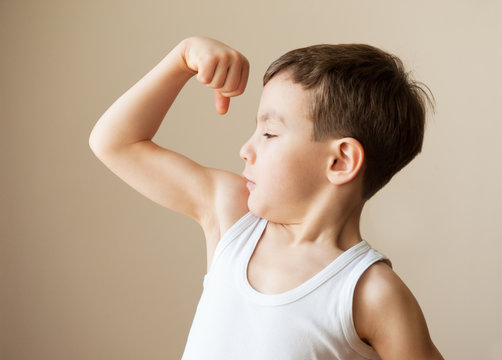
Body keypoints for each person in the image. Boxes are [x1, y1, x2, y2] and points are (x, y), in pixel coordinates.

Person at [89, 36, 444, 359]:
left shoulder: (372, 293)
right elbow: (115, 143)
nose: (246, 149)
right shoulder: (233, 217)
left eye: (270, 133)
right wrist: (181, 59)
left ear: (340, 161)